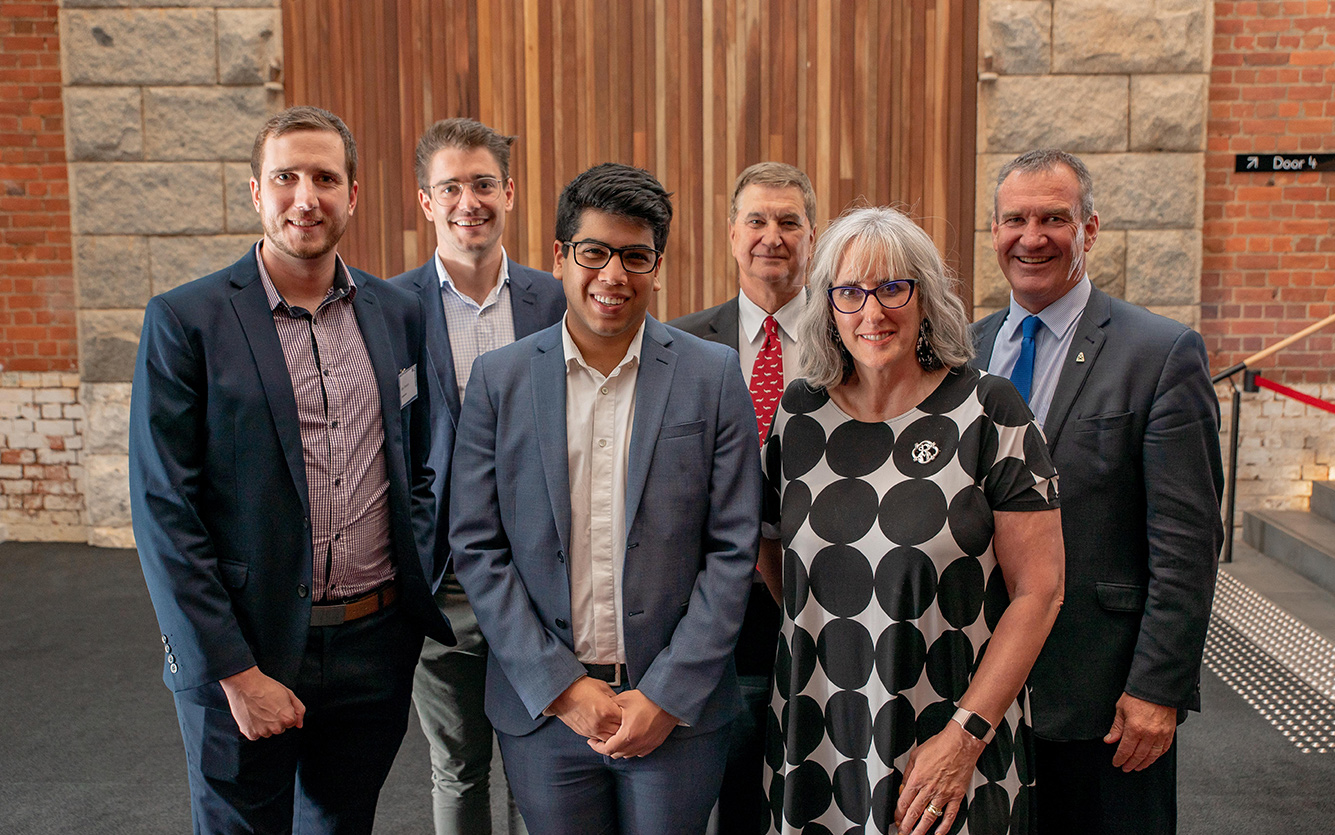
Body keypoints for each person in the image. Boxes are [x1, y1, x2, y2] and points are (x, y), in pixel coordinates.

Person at [128, 105, 454, 834]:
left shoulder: (398, 312)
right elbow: (164, 510)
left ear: (353, 194)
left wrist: (406, 602)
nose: (306, 197)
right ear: (256, 192)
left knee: (343, 823)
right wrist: (235, 672)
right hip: (247, 650)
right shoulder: (186, 320)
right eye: (286, 178)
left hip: (373, 645)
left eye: (325, 179)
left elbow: (419, 466)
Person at [448, 162, 761, 834]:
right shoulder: (499, 381)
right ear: (560, 257)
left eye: (635, 256)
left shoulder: (712, 376)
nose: (613, 275)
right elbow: (476, 545)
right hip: (546, 710)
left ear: (657, 267)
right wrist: (560, 687)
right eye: (593, 252)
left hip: (676, 713)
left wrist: (666, 694)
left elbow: (733, 549)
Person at [757, 206, 1064, 835]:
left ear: (926, 298)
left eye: (892, 287)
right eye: (849, 292)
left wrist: (966, 734)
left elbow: (1041, 592)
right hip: (818, 731)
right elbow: (769, 550)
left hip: (950, 732)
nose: (871, 312)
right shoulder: (799, 415)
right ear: (828, 307)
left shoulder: (988, 410)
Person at [971, 149, 1224, 834]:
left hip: (1102, 698)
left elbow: (1188, 543)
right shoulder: (963, 351)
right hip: (978, 689)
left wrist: (1157, 688)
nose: (1031, 237)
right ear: (993, 231)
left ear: (1088, 229)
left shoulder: (1160, 353)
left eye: (1054, 218)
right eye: (1014, 219)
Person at [389, 116, 565, 835]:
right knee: (457, 767)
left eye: (484, 184)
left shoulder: (556, 301)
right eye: (451, 187)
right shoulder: (389, 308)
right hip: (443, 584)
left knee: (539, 762)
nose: (470, 202)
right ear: (426, 201)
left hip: (541, 582)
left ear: (509, 192)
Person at [671, 161, 816, 835]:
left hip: (821, 597)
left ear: (811, 236)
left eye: (788, 221)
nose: (771, 236)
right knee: (710, 787)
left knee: (807, 784)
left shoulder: (853, 336)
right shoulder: (678, 345)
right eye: (756, 220)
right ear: (732, 234)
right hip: (706, 603)